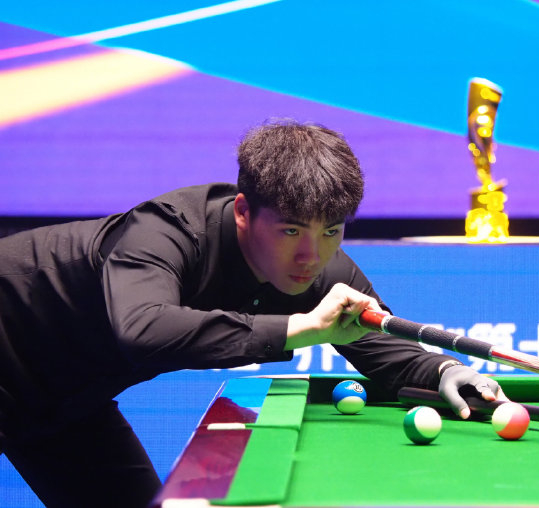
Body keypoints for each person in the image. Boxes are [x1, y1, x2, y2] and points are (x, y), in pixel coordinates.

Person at [0, 120, 506, 507]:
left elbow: (378, 344)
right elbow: (143, 329)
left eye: (331, 230)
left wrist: (445, 371)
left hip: (68, 401)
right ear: (243, 211)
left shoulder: (321, 270)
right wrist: (301, 328)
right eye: (291, 231)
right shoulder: (166, 232)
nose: (311, 255)